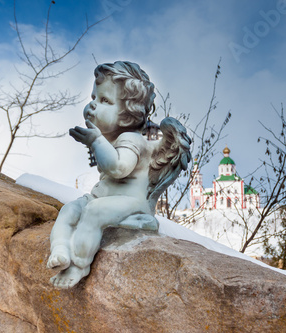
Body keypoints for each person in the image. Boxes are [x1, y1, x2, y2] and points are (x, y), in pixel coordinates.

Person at [47, 61, 190, 289]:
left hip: (130, 205)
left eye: (104, 101)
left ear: (126, 117)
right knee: (69, 209)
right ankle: (61, 249)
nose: (92, 105)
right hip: (100, 198)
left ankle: (80, 263)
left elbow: (118, 168)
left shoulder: (132, 140)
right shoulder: (112, 140)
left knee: (93, 212)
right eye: (94, 98)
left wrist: (95, 141)